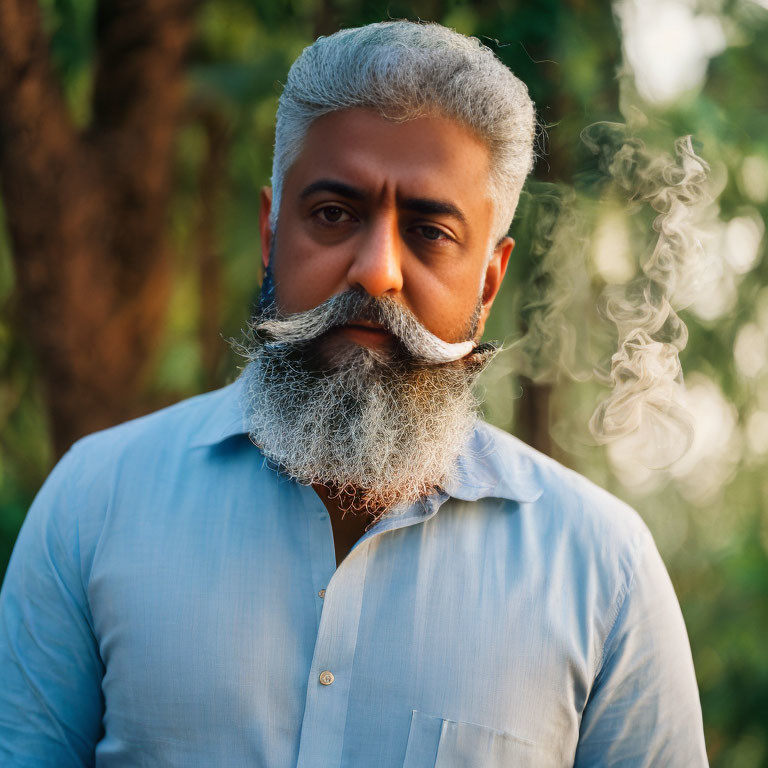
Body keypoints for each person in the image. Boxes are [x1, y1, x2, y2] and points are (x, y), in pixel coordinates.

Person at [0, 20, 708, 768]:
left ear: (489, 282)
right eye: (334, 215)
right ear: (272, 235)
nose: (377, 272)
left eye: (431, 232)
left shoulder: (601, 567)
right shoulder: (95, 502)